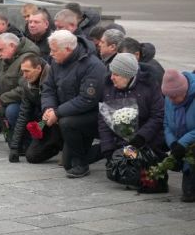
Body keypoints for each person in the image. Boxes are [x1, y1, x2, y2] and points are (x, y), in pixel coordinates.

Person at [41, 30, 107, 178]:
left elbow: (87, 99)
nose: (50, 54)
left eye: (54, 50)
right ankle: (81, 157)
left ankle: (86, 160)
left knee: (66, 123)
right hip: (69, 111)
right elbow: (48, 88)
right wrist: (48, 108)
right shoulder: (56, 61)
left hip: (94, 114)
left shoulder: (92, 65)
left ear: (68, 49)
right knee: (67, 164)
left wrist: (57, 113)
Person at [98, 54, 166, 185]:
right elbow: (103, 119)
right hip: (121, 138)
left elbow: (158, 115)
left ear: (128, 76)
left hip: (146, 138)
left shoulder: (149, 86)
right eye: (111, 73)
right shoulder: (108, 86)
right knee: (120, 168)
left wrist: (141, 137)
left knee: (142, 172)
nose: (111, 77)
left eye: (116, 75)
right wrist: (107, 148)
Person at [9, 54, 62, 163]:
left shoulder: (55, 77)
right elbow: (23, 115)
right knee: (32, 157)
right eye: (22, 71)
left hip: (60, 118)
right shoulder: (26, 85)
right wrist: (14, 147)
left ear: (38, 68)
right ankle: (55, 145)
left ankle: (67, 148)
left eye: (27, 71)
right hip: (43, 121)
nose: (24, 75)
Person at [0, 33, 39, 139]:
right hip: (9, 98)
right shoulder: (8, 59)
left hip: (28, 102)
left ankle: (26, 140)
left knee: (11, 111)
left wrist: (1, 100)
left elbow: (25, 88)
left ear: (12, 46)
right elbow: (2, 84)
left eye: (1, 50)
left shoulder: (28, 59)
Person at [162, 70, 195, 202]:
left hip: (191, 143)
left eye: (175, 97)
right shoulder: (169, 98)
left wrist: (183, 142)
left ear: (185, 91)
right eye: (169, 97)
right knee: (188, 194)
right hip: (182, 143)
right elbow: (166, 124)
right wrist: (173, 143)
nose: (172, 100)